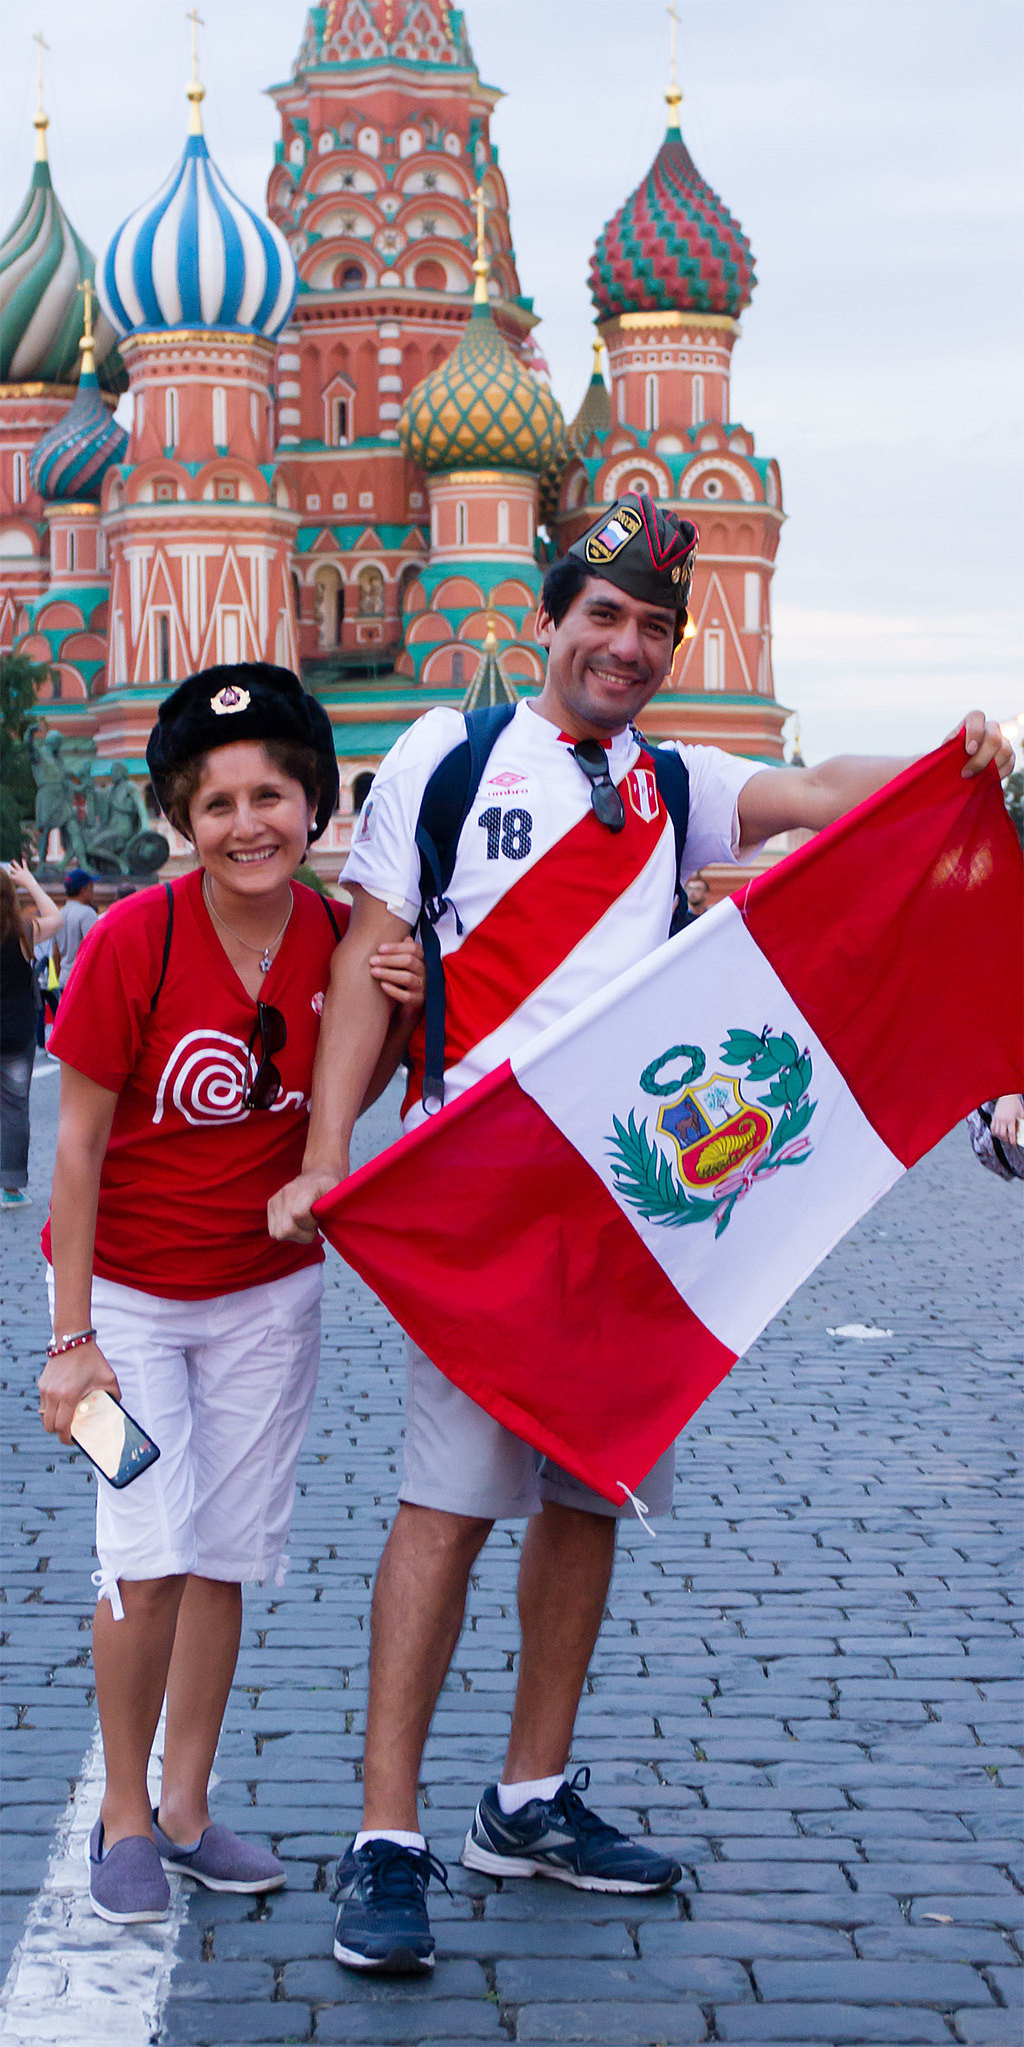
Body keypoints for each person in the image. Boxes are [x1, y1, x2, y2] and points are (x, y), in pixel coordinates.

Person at [268, 491, 1014, 1976]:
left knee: (587, 1494)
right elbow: (368, 958)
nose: (628, 644)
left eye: (655, 626)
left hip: (627, 1215)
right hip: (485, 1193)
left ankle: (529, 1794)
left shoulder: (679, 780)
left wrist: (957, 758)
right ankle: (387, 1830)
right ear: (547, 620)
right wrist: (327, 1154)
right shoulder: (450, 750)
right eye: (602, 615)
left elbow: (819, 790)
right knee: (447, 1505)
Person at [37, 662, 424, 1928]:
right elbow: (78, 1152)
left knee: (223, 1559)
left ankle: (190, 1808)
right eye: (217, 804)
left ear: (314, 804)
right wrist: (72, 1342)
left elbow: (332, 1111)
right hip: (125, 1303)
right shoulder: (130, 940)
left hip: (268, 1296)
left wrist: (399, 1021)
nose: (248, 823)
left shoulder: (341, 940)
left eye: (273, 793)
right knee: (142, 1556)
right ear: (181, 822)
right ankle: (125, 1817)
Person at [1, 861, 62, 1210]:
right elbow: (56, 918)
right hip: (15, 1031)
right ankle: (11, 1188)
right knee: (13, 1107)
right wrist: (29, 881)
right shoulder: (23, 929)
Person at [54, 868, 99, 996]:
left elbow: (55, 953)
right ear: (83, 890)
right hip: (81, 982)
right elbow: (94, 949)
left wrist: (58, 980)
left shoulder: (59, 914)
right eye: (91, 888)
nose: (93, 892)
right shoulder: (87, 913)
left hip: (64, 979)